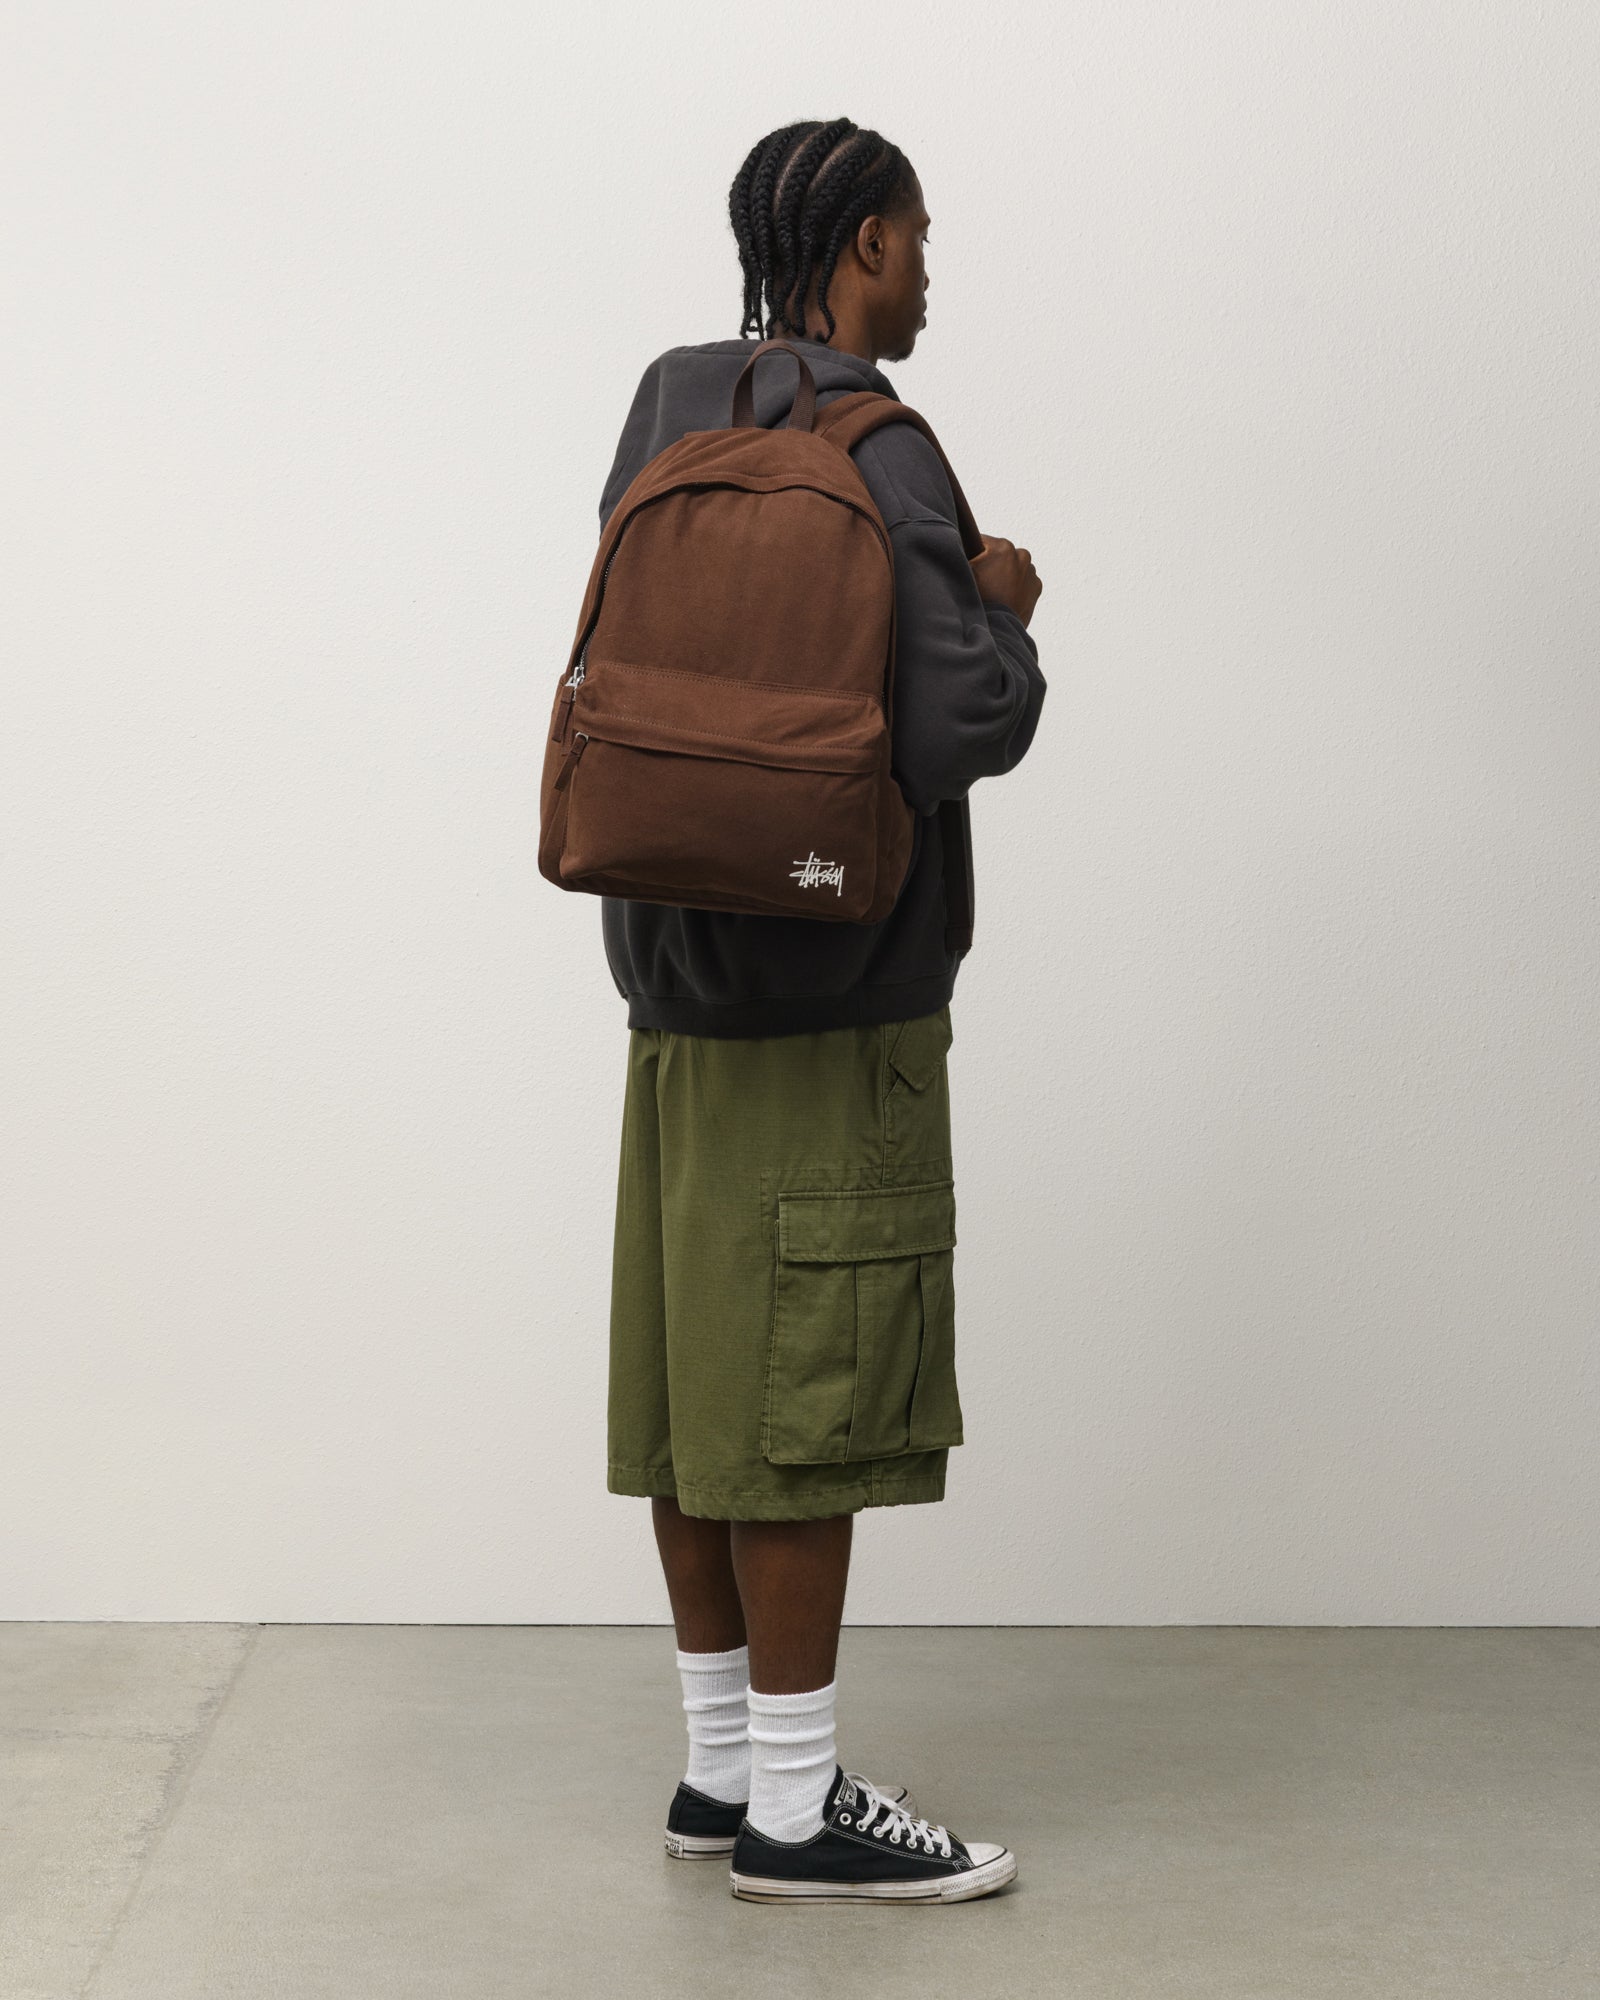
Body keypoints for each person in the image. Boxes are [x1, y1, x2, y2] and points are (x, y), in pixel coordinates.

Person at [595, 118, 1046, 1904]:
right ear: (862, 244)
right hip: (837, 995)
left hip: (671, 980)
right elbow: (957, 727)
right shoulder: (888, 445)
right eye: (919, 236)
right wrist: (1002, 612)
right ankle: (798, 1811)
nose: (929, 270)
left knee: (700, 1386)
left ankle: (721, 1774)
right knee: (809, 1399)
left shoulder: (669, 408)